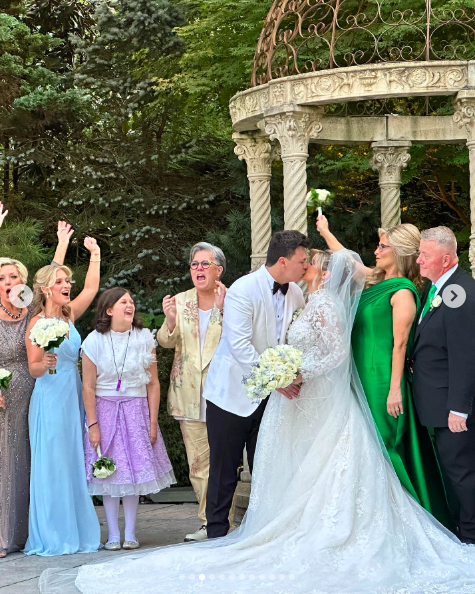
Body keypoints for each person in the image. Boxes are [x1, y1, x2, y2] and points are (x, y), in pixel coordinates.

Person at [39, 249, 475, 594]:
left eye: (312, 263)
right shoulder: (271, 292)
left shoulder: (319, 302)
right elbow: (248, 340)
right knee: (276, 464)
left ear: (323, 273)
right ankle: (226, 527)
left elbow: (335, 354)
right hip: (272, 393)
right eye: (303, 260)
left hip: (312, 393)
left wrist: (294, 370)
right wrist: (281, 371)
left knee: (326, 464)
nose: (307, 267)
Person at [318, 216, 450, 526]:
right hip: (361, 375)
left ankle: (403, 521)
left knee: (383, 446)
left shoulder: (402, 291)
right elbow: (347, 260)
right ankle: (371, 518)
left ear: (400, 252)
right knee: (363, 447)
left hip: (381, 381)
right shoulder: (375, 280)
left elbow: (400, 345)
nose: (376, 250)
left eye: (383, 246)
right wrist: (326, 231)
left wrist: (394, 390)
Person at [203, 230, 309, 539]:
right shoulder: (243, 289)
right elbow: (240, 346)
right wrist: (278, 380)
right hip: (231, 394)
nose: (305, 266)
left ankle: (261, 534)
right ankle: (217, 535)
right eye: (301, 261)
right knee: (224, 470)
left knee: (267, 468)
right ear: (282, 261)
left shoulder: (297, 294)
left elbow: (291, 341)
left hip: (272, 400)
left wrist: (290, 375)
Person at [0, 206, 73, 558]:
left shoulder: (30, 312)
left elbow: (50, 281)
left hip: (32, 392)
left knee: (28, 461)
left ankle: (26, 532)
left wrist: (61, 243)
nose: (10, 282)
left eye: (14, 277)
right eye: (3, 278)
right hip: (1, 394)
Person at [82, 288, 175, 551]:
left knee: (132, 473)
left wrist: (152, 422)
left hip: (136, 409)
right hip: (104, 409)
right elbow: (88, 386)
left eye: (132, 301)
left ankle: (131, 532)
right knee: (109, 473)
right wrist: (93, 424)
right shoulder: (94, 341)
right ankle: (113, 534)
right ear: (109, 310)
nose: (130, 305)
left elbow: (154, 384)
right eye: (123, 302)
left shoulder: (144, 339)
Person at [24, 238, 101, 556]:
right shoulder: (37, 323)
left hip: (72, 401)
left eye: (67, 280)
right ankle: (53, 534)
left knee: (71, 463)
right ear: (45, 289)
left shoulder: (69, 317)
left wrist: (95, 254)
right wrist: (45, 362)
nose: (67, 284)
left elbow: (92, 290)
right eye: (60, 281)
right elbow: (33, 368)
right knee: (52, 465)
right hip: (50, 400)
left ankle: (76, 530)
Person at [157, 242, 226, 542]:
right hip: (188, 396)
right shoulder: (181, 301)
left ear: (218, 270)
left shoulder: (232, 299)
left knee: (227, 460)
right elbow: (164, 341)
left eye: (204, 264)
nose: (198, 269)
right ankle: (206, 523)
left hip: (224, 394)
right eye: (194, 264)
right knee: (198, 464)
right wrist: (170, 321)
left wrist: (224, 310)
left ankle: (227, 520)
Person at [413, 226, 475, 544]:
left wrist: (458, 409)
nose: (419, 260)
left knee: (462, 473)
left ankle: (471, 535)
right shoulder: (438, 288)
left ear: (446, 258)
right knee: (453, 472)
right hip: (436, 404)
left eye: (425, 255)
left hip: (451, 407)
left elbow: (465, 355)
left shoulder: (459, 292)